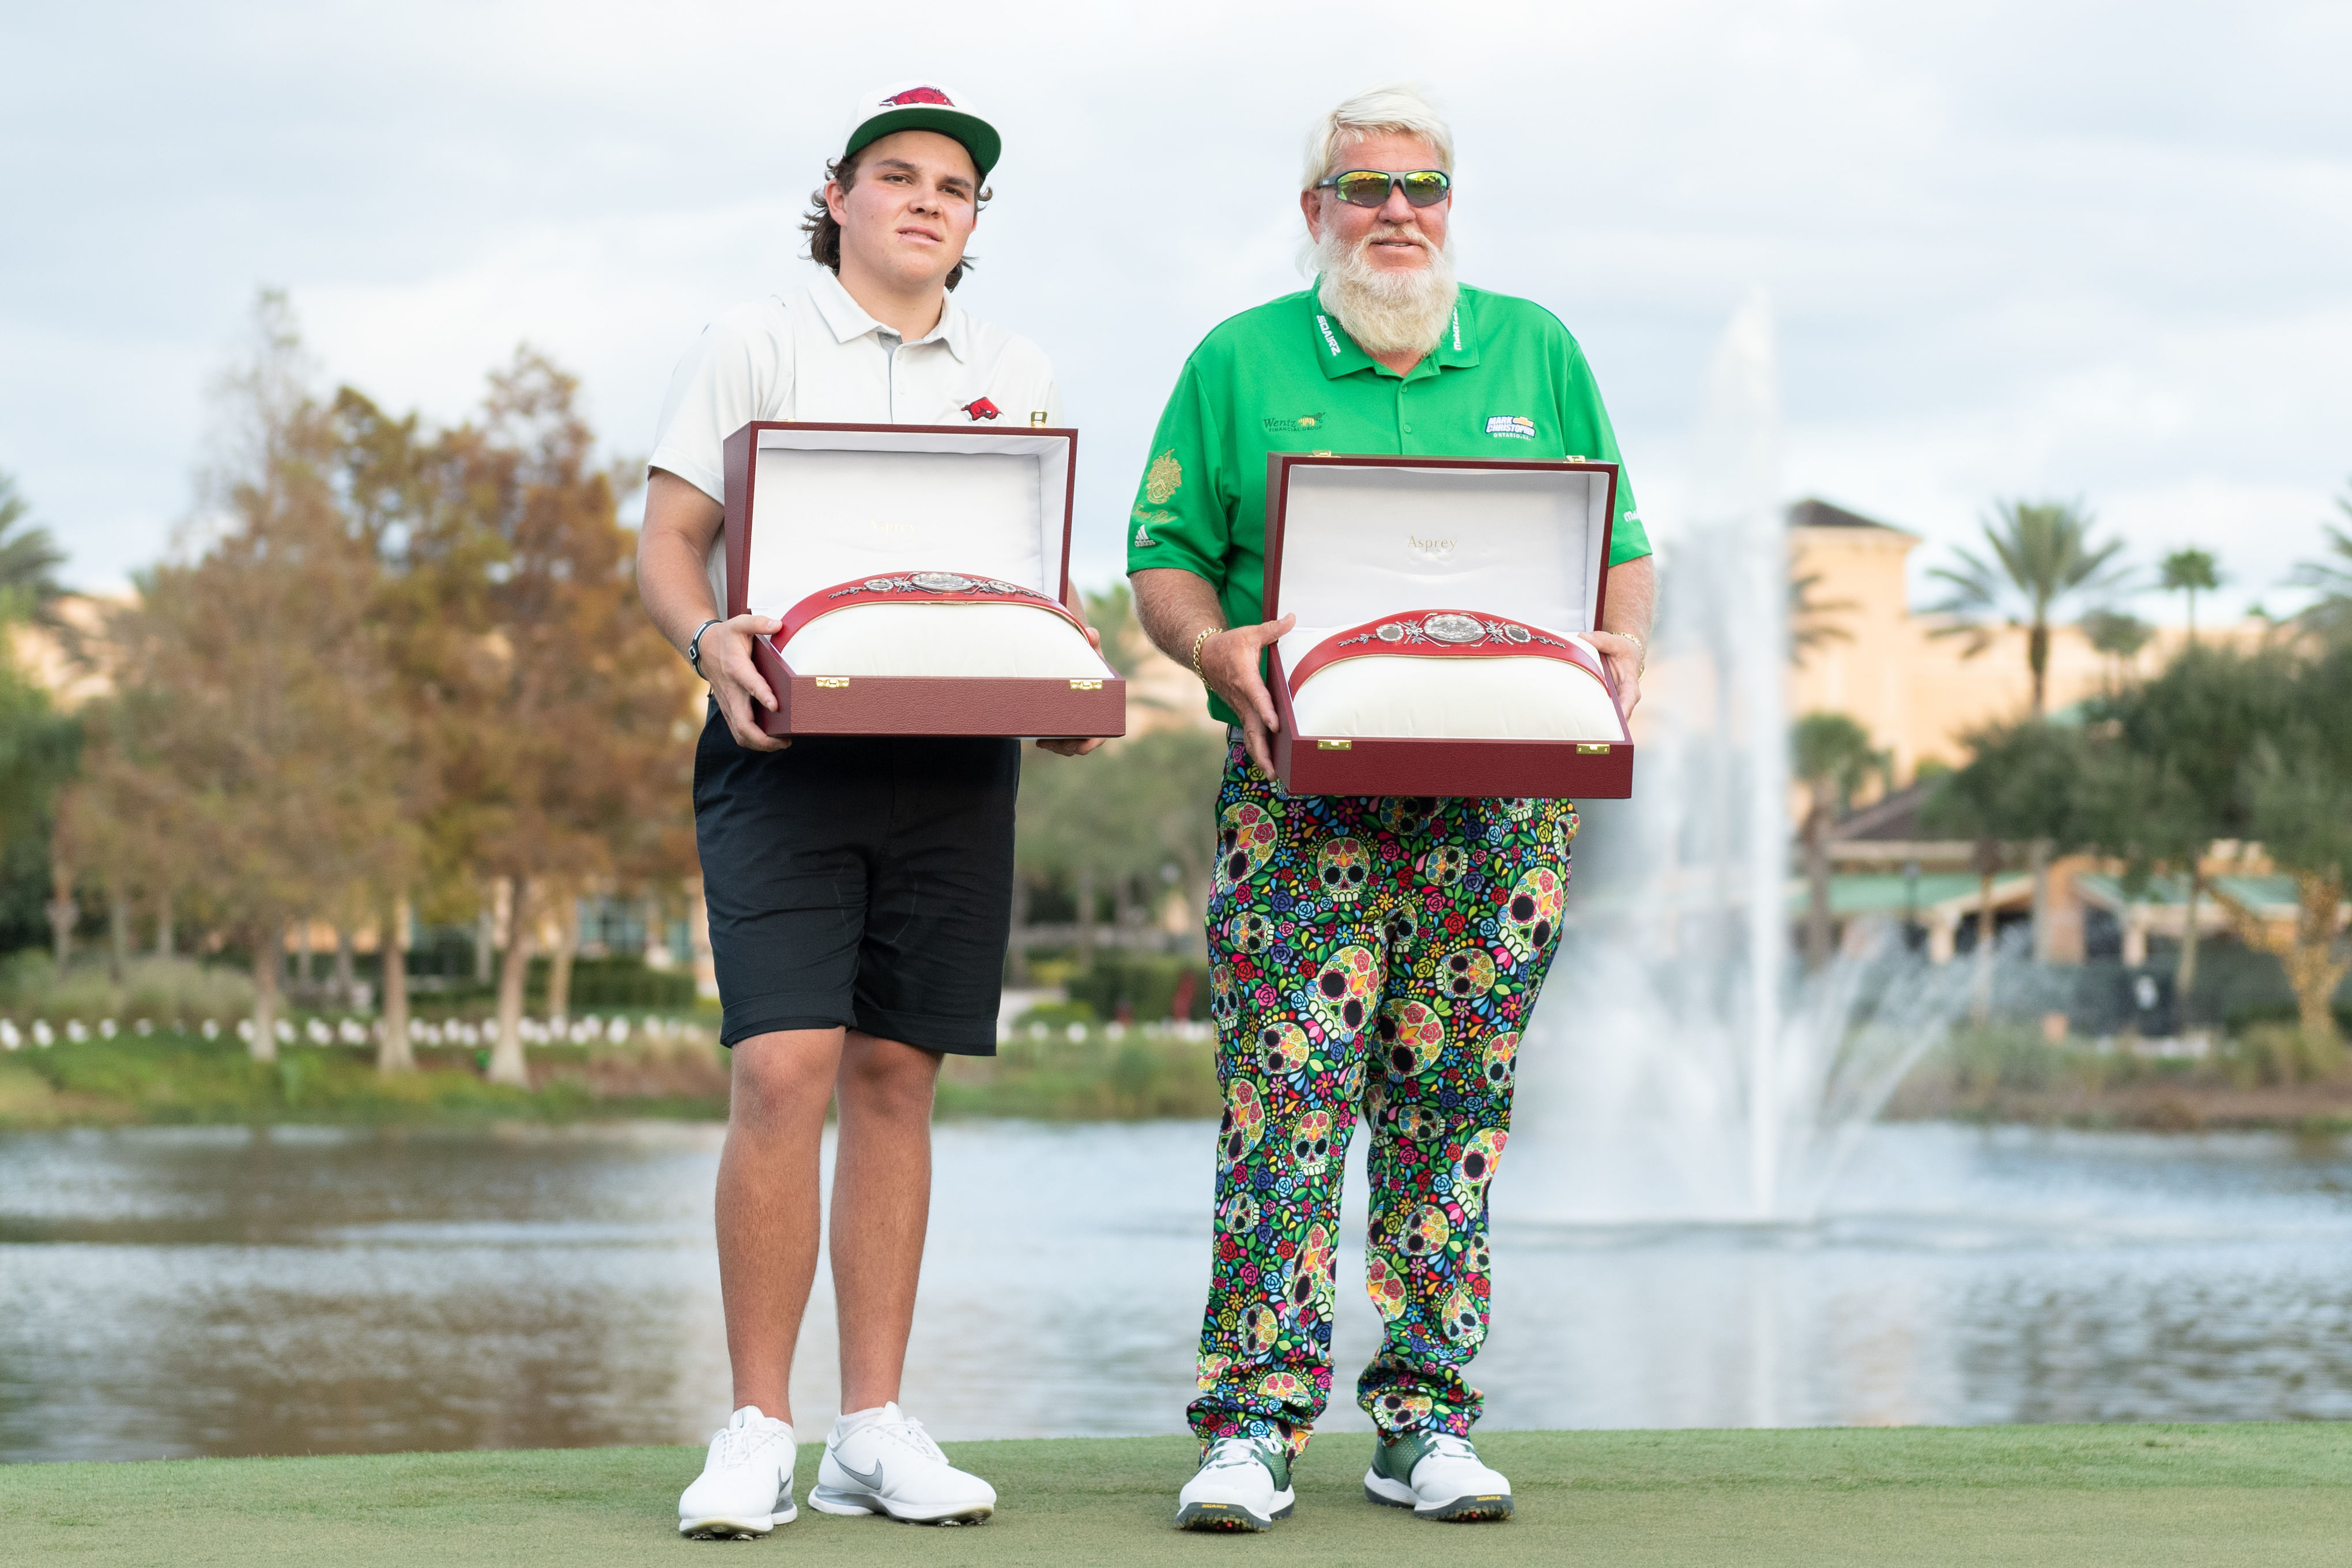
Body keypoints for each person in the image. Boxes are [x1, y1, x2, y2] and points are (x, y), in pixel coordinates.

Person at [1126, 82, 1656, 1531]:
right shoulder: (1238, 360)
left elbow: (1618, 540)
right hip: (1300, 793)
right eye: (1366, 189)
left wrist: (1623, 643)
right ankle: (1250, 1426)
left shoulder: (1535, 349)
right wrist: (1207, 646)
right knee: (1284, 1102)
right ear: (1317, 214)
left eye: (1423, 185)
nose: (1398, 212)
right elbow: (1163, 555)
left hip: (1502, 807)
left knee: (1454, 1103)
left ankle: (1422, 1419)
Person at [636, 80, 1098, 1539]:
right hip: (782, 752)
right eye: (894, 176)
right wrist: (705, 643)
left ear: (971, 225)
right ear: (835, 196)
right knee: (783, 1071)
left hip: (958, 763)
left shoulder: (1014, 363)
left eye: (952, 190)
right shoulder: (753, 340)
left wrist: (1068, 671)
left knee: (901, 1078)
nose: (924, 201)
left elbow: (1033, 572)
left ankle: (873, 1429)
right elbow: (668, 542)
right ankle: (757, 1428)